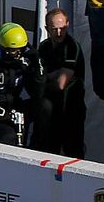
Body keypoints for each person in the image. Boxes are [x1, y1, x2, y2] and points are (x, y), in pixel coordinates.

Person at [33, 9, 86, 157]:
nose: (58, 33)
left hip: (71, 107)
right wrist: (52, 75)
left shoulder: (72, 47)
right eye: (54, 29)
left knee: (73, 151)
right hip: (51, 111)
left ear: (67, 25)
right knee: (48, 149)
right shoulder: (43, 47)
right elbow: (36, 76)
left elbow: (60, 83)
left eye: (62, 28)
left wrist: (46, 78)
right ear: (47, 28)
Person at [0, 23, 44, 147]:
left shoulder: (24, 64)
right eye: (11, 51)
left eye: (19, 51)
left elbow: (37, 93)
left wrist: (37, 66)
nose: (15, 55)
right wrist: (2, 113)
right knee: (7, 136)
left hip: (14, 110)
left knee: (44, 108)